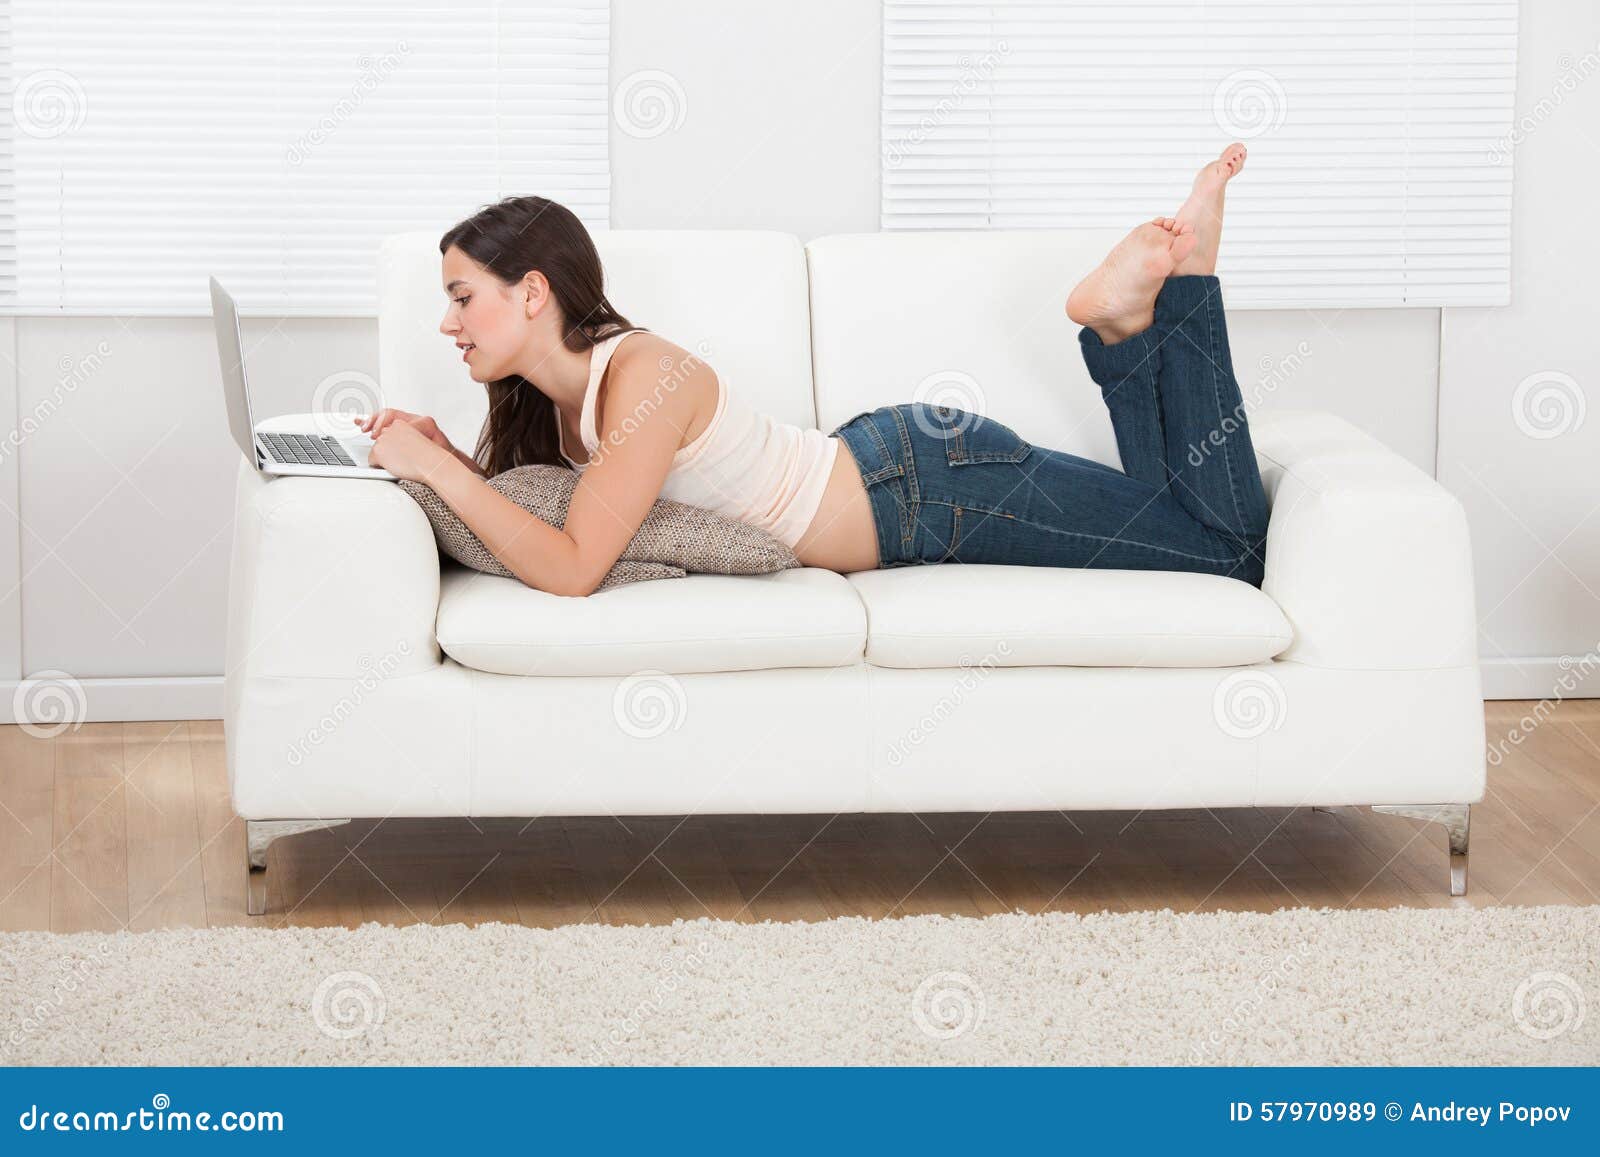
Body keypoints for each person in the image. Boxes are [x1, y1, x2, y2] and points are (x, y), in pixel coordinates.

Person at [366, 144, 1267, 597]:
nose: (447, 323)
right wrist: (457, 460)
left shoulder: (641, 376)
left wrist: (440, 475)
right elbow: (556, 519)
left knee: (1228, 552)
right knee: (1180, 528)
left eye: (461, 296)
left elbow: (573, 566)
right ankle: (1125, 325)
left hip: (931, 489)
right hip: (901, 471)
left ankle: (1182, 292)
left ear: (531, 294)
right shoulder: (564, 406)